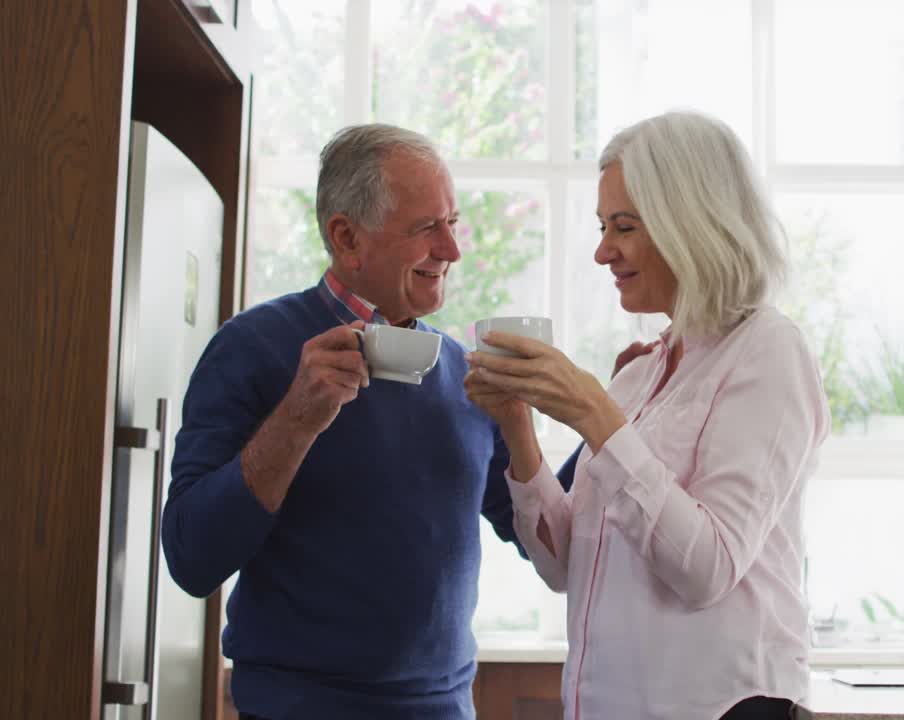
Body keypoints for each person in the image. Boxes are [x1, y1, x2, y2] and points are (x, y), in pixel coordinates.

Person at [160, 124, 547, 720]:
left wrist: (611, 415)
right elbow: (191, 558)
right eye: (427, 228)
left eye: (452, 222)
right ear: (346, 237)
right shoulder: (252, 348)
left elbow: (543, 540)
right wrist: (295, 421)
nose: (452, 249)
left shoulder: (465, 375)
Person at [464, 111, 830, 720]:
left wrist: (593, 412)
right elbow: (560, 567)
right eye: (604, 226)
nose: (603, 250)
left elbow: (708, 569)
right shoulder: (639, 376)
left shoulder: (768, 351)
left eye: (623, 226)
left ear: (690, 221)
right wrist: (516, 423)